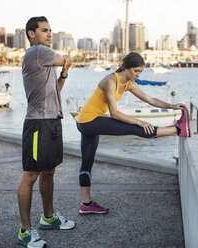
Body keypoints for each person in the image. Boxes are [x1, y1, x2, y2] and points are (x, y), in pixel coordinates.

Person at [76, 52, 191, 215]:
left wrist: (173, 106)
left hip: (87, 122)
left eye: (140, 72)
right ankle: (177, 130)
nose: (138, 75)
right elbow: (114, 113)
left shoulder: (129, 83)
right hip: (88, 121)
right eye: (136, 71)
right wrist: (139, 121)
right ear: (126, 68)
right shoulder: (111, 80)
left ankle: (85, 205)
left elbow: (150, 100)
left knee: (87, 163)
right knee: (132, 127)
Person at [17, 16, 75, 248]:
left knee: (49, 171)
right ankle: (24, 231)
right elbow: (66, 58)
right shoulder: (37, 52)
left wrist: (64, 74)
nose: (50, 34)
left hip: (52, 120)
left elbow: (55, 91)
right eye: (44, 30)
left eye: (51, 30)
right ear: (31, 34)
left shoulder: (46, 60)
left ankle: (48, 218)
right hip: (38, 124)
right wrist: (66, 63)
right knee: (30, 175)